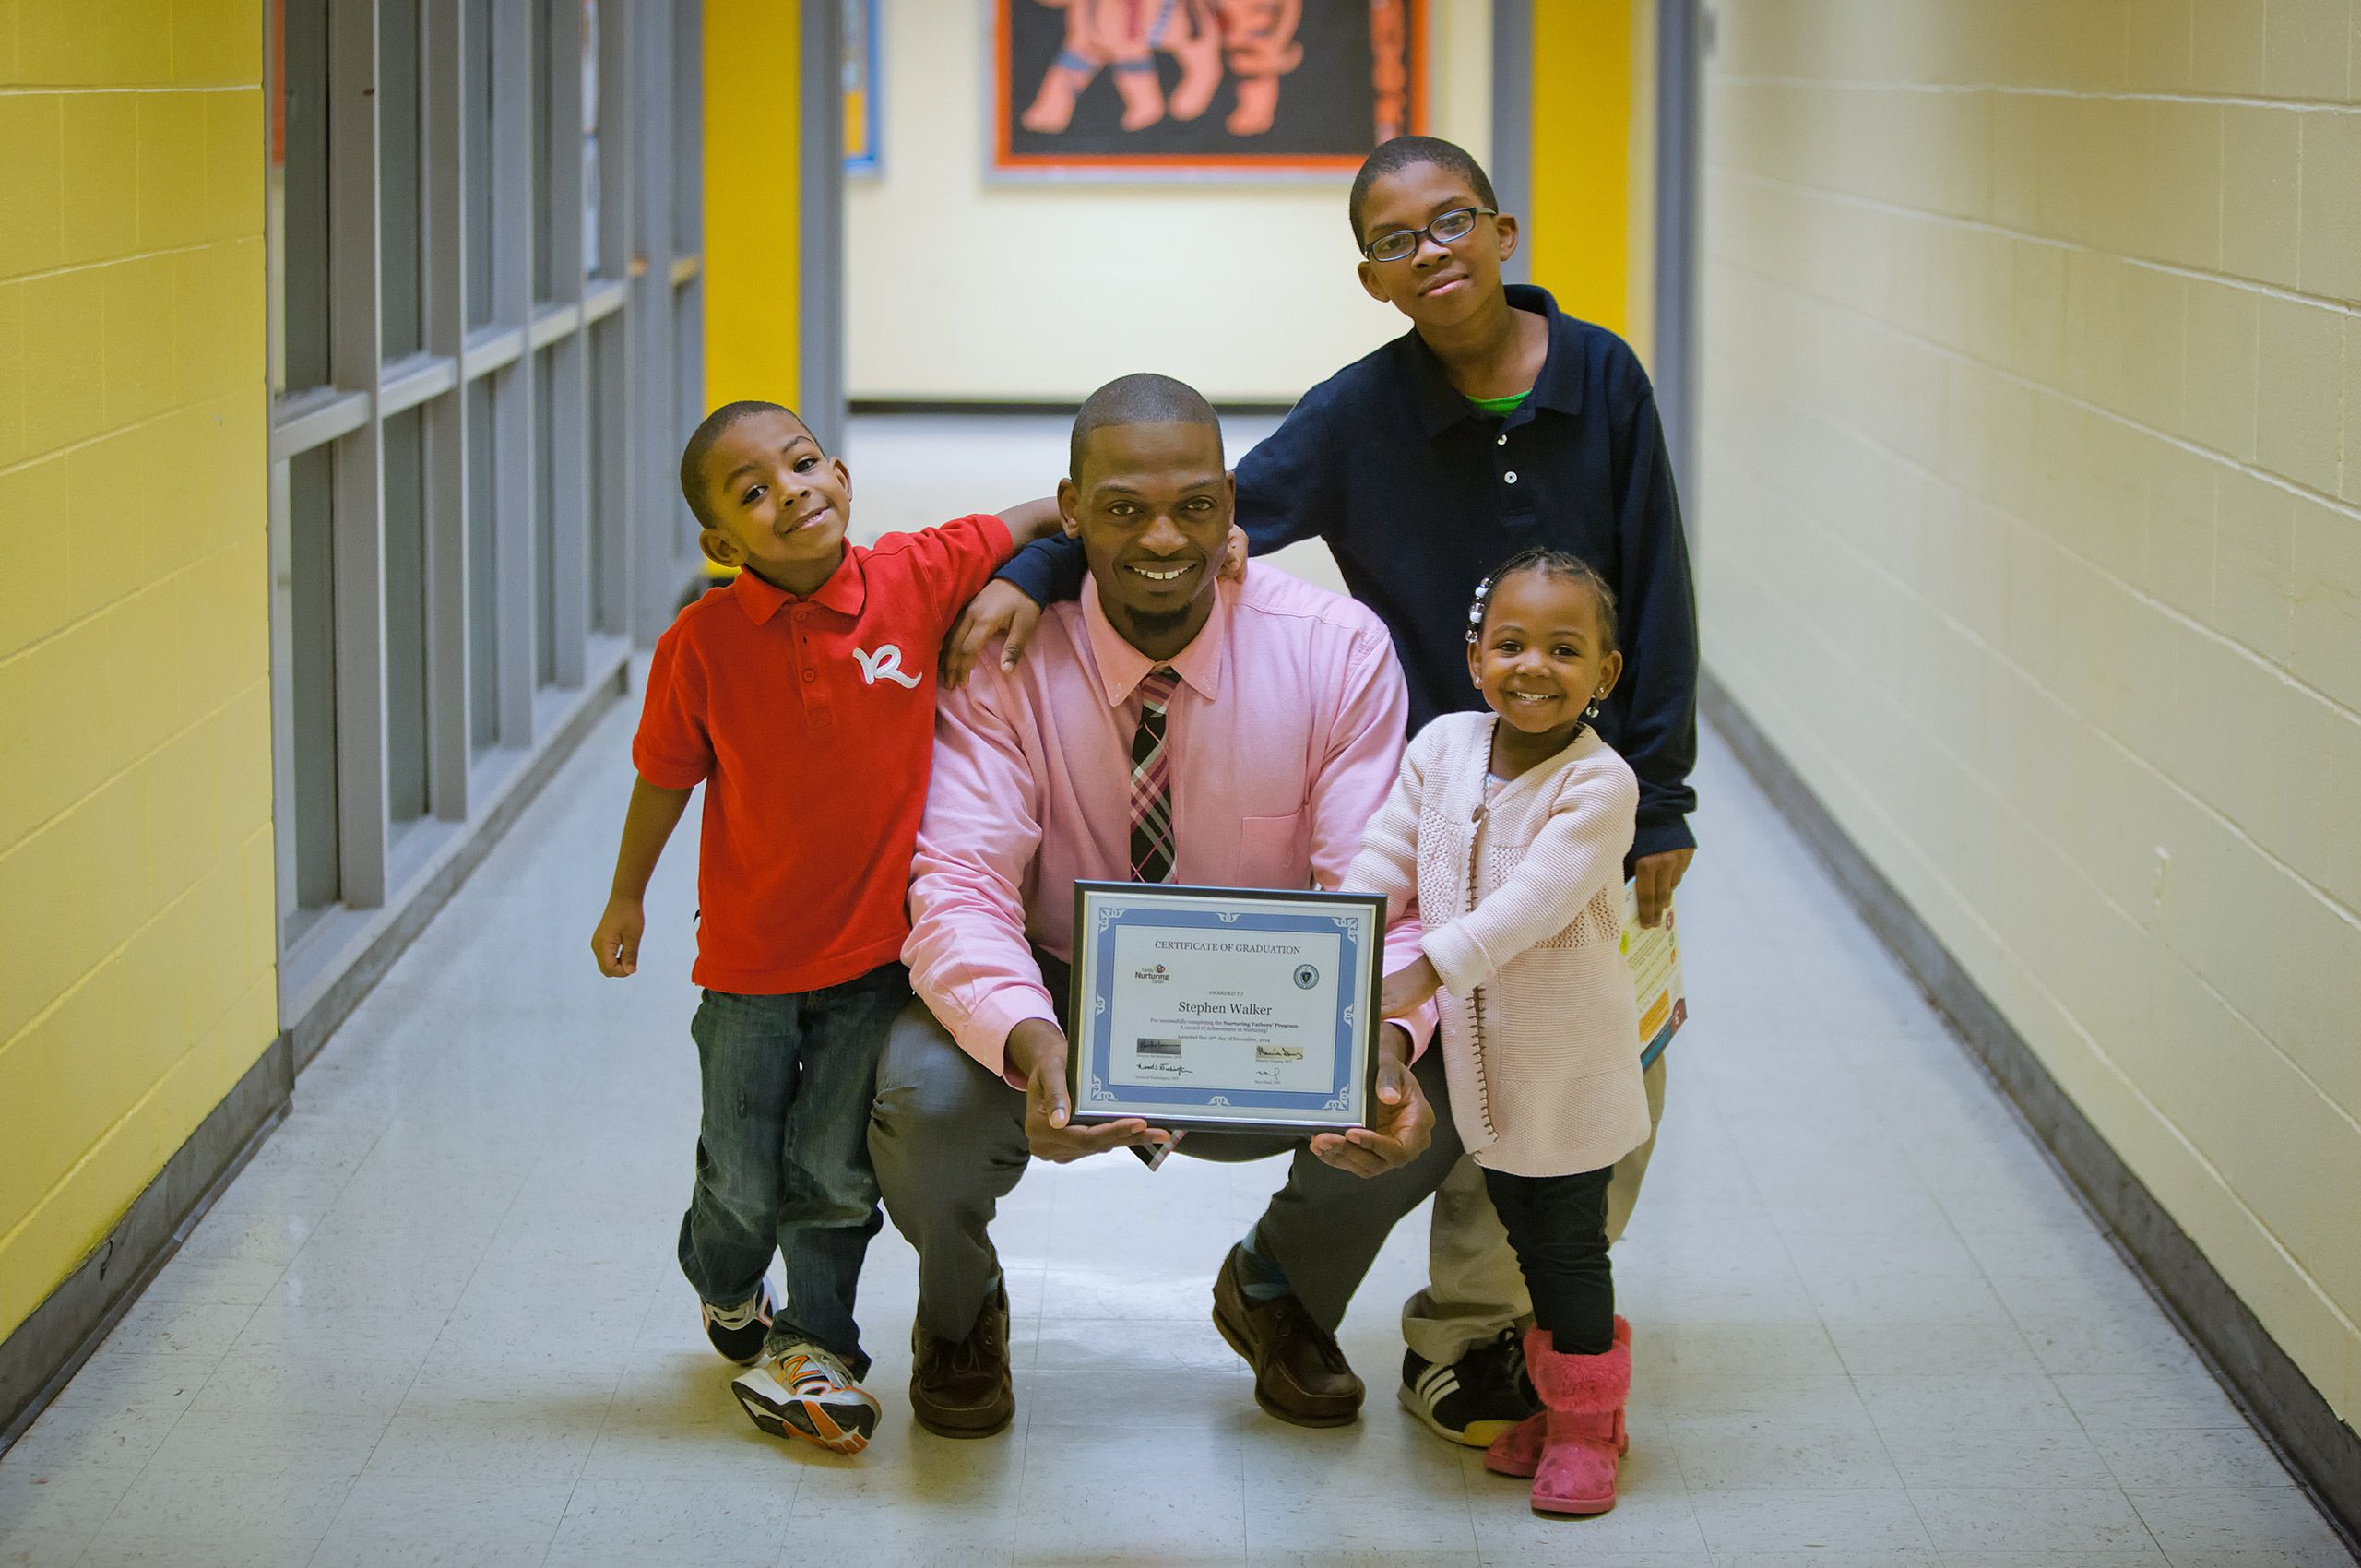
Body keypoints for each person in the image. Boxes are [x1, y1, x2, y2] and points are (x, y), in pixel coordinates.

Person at [948, 134, 1699, 1446]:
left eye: (1453, 220)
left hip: (1588, 798)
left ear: (1503, 231)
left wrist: (1665, 794)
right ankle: (1466, 1348)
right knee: (1466, 1052)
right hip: (1440, 802)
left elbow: (1664, 583)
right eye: (1399, 239)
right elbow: (1185, 521)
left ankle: (1475, 1316)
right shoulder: (1361, 410)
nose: (1434, 251)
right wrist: (1035, 565)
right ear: (1372, 276)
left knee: (1588, 1066)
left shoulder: (1604, 381)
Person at [872, 373, 1462, 1441]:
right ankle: (960, 1312)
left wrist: (1380, 1036)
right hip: (1060, 981)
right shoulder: (1002, 655)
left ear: (1232, 506)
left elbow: (1379, 886)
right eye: (1122, 508)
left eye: (1194, 505)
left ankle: (1280, 1289)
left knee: (1443, 1076)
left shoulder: (1334, 649)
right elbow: (957, 883)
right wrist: (1030, 1036)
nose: (1161, 535)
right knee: (920, 1094)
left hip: (1274, 999)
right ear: (1069, 507)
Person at [587, 400, 1060, 1455]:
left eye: (803, 466)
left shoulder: (914, 573)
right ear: (722, 542)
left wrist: (1055, 554)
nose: (790, 491)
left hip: (870, 964)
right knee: (740, 1179)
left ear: (841, 475)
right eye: (753, 491)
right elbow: (664, 776)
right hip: (749, 965)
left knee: (834, 1176)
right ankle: (723, 1281)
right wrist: (629, 895)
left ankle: (822, 1344)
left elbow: (1037, 514)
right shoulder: (701, 643)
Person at [1350, 547, 1650, 1515]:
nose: (1533, 666)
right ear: (1475, 655)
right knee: (1523, 1234)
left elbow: (1527, 905)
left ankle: (1586, 1428)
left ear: (1603, 674)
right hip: (1483, 1064)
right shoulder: (1440, 744)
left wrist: (1420, 970)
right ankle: (1560, 1404)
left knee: (1566, 1243)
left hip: (1563, 1066)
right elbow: (1386, 851)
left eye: (1565, 649)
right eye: (1511, 643)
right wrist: (1334, 936)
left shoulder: (1598, 785)